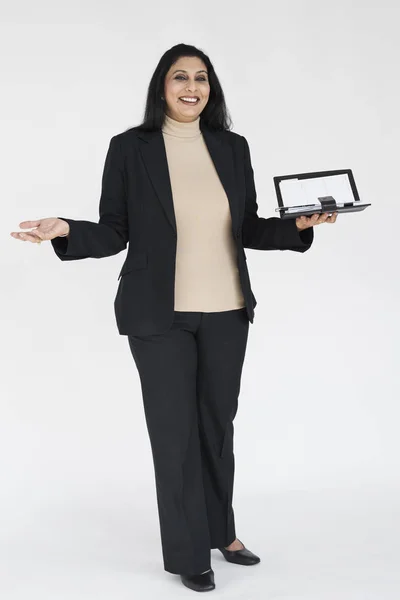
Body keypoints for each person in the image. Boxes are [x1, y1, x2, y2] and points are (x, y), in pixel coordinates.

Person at [10, 43, 337, 592]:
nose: (192, 87)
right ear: (161, 87)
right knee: (175, 434)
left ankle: (222, 532)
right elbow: (115, 231)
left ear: (212, 89)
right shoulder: (130, 148)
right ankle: (189, 553)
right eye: (179, 77)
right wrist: (65, 229)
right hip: (158, 316)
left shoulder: (232, 148)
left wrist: (300, 227)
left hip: (227, 311)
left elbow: (250, 228)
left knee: (216, 430)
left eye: (201, 78)